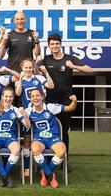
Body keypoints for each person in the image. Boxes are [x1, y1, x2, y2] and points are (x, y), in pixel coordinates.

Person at [39, 33, 93, 170]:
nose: (55, 46)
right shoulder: (46, 59)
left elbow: (89, 69)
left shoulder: (70, 59)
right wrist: (37, 64)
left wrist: (74, 66)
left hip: (66, 102)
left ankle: (64, 160)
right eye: (52, 44)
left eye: (57, 43)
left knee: (63, 131)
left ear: (60, 44)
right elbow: (37, 74)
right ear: (49, 46)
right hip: (49, 101)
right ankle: (47, 160)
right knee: (48, 130)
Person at [25, 89, 77, 188]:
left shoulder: (50, 107)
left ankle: (45, 173)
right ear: (30, 99)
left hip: (53, 138)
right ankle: (51, 175)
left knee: (62, 151)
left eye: (37, 95)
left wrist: (74, 101)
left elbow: (70, 108)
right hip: (39, 139)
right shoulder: (28, 111)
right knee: (35, 149)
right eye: (33, 96)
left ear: (42, 97)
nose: (35, 98)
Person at [0, 87, 31, 188]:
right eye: (6, 96)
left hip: (10, 138)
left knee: (16, 149)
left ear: (13, 97)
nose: (8, 99)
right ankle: (5, 175)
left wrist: (24, 114)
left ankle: (3, 176)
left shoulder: (15, 110)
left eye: (10, 97)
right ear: (2, 97)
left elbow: (27, 126)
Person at [15, 59, 54, 176]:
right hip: (27, 114)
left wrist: (46, 72)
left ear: (33, 68)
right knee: (27, 141)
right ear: (22, 69)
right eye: (25, 68)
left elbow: (51, 86)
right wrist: (21, 79)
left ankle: (44, 166)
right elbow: (17, 93)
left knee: (44, 138)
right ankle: (27, 168)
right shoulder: (19, 81)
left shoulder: (39, 78)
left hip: (40, 114)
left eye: (30, 67)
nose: (28, 70)